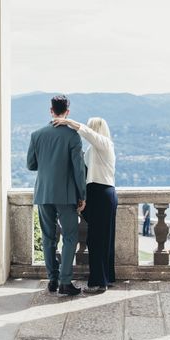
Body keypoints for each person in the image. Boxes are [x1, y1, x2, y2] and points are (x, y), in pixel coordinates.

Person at [27, 95, 86, 296]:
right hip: (66, 195)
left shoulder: (36, 135)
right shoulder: (72, 136)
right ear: (67, 112)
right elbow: (79, 170)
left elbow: (31, 165)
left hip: (43, 193)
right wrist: (82, 195)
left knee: (48, 237)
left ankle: (52, 279)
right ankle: (65, 281)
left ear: (51, 110)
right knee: (70, 237)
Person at [53, 116, 117, 293]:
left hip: (102, 194)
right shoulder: (93, 150)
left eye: (89, 127)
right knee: (102, 238)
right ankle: (107, 277)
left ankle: (98, 282)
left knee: (97, 239)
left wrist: (68, 122)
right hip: (98, 194)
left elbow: (88, 134)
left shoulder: (105, 145)